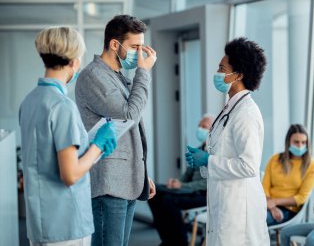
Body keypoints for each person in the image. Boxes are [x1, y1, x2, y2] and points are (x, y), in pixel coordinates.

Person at [19, 26, 117, 246]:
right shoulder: (63, 106)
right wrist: (97, 145)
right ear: (74, 60)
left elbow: (44, 156)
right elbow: (70, 174)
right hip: (67, 225)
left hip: (40, 223)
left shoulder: (29, 102)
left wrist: (91, 148)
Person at [75, 15, 157, 246]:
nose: (140, 54)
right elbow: (129, 115)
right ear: (114, 44)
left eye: (142, 47)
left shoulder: (117, 77)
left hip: (127, 180)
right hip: (108, 184)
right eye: (135, 47)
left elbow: (128, 131)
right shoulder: (93, 76)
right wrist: (143, 72)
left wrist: (142, 172)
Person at [185, 37, 270, 245]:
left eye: (222, 68)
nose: (218, 73)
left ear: (239, 74)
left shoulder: (246, 113)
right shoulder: (230, 109)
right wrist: (203, 160)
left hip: (239, 206)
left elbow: (249, 166)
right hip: (224, 200)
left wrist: (208, 160)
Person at [148, 115, 214, 246]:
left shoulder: (214, 152)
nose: (200, 129)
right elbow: (187, 174)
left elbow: (206, 182)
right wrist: (176, 182)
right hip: (188, 189)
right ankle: (168, 239)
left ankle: (180, 242)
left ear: (213, 130)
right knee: (153, 193)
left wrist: (181, 185)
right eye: (199, 126)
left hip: (203, 194)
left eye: (204, 127)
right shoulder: (198, 150)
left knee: (168, 200)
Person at [262, 124, 314, 226]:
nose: (300, 146)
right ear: (288, 142)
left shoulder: (312, 166)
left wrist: (275, 202)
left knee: (256, 220)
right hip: (267, 204)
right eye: (296, 142)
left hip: (289, 210)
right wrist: (272, 206)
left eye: (303, 142)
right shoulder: (274, 159)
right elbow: (264, 187)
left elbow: (301, 198)